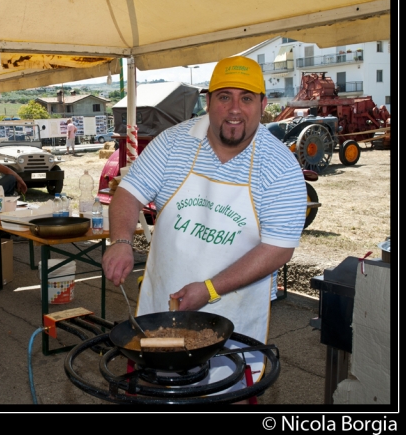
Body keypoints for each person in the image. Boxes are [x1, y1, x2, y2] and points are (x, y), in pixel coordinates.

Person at [102, 56, 307, 395]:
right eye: (224, 96)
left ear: (263, 104)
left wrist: (210, 289)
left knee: (228, 396)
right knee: (154, 396)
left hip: (233, 320)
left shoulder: (281, 168)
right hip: (161, 315)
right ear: (208, 101)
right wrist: (121, 241)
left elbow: (278, 247)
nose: (235, 109)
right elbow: (128, 193)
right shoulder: (173, 143)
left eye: (246, 98)